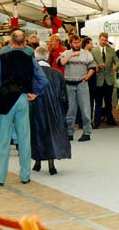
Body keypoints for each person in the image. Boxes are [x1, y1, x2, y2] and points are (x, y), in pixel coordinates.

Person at [0, 28, 48, 186]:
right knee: (24, 138)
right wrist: (35, 93)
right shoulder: (30, 57)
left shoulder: (2, 57)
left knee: (3, 139)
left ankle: (0, 177)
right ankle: (25, 175)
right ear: (25, 42)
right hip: (23, 98)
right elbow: (43, 79)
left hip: (6, 99)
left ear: (11, 41)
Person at [31, 47, 71, 175]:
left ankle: (37, 162)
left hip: (36, 108)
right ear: (48, 57)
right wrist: (63, 112)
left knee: (37, 134)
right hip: (55, 109)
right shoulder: (57, 73)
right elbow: (64, 97)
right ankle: (51, 165)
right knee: (51, 135)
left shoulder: (32, 73)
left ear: (35, 57)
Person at [57, 35, 96, 142]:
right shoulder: (66, 53)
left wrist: (86, 78)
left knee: (85, 108)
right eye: (74, 42)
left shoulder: (87, 54)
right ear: (70, 43)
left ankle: (87, 132)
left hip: (82, 84)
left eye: (78, 42)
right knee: (71, 109)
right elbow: (60, 63)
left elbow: (92, 67)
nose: (77, 44)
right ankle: (69, 132)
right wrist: (71, 55)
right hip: (69, 84)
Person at [91, 32, 119, 128]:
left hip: (109, 79)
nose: (103, 42)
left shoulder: (111, 50)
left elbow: (117, 61)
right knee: (98, 102)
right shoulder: (93, 51)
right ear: (99, 40)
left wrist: (116, 66)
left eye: (105, 40)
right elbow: (91, 63)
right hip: (98, 80)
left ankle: (110, 119)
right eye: (102, 40)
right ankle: (97, 121)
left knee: (108, 101)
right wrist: (97, 66)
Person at [82, 37, 97, 125]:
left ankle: (87, 120)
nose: (92, 45)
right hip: (88, 80)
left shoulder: (88, 53)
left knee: (88, 101)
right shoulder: (86, 54)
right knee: (88, 101)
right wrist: (86, 78)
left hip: (89, 80)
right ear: (86, 44)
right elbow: (91, 68)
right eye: (91, 43)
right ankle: (88, 120)